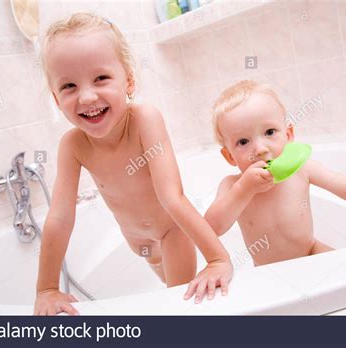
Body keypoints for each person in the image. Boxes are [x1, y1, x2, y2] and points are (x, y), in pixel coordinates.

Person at [34, 13, 232, 315]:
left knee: (180, 309)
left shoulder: (144, 120)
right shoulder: (72, 145)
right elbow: (60, 217)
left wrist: (217, 259)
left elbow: (171, 197)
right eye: (69, 86)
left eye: (101, 78)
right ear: (56, 98)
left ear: (128, 80)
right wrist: (46, 289)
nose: (87, 96)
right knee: (180, 297)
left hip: (171, 233)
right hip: (137, 241)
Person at [205, 80, 346, 267]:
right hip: (268, 271)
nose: (260, 148)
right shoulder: (231, 185)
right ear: (230, 156)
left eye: (270, 132)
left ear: (289, 134)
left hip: (311, 252)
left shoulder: (302, 169)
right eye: (243, 141)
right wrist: (244, 190)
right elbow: (212, 228)